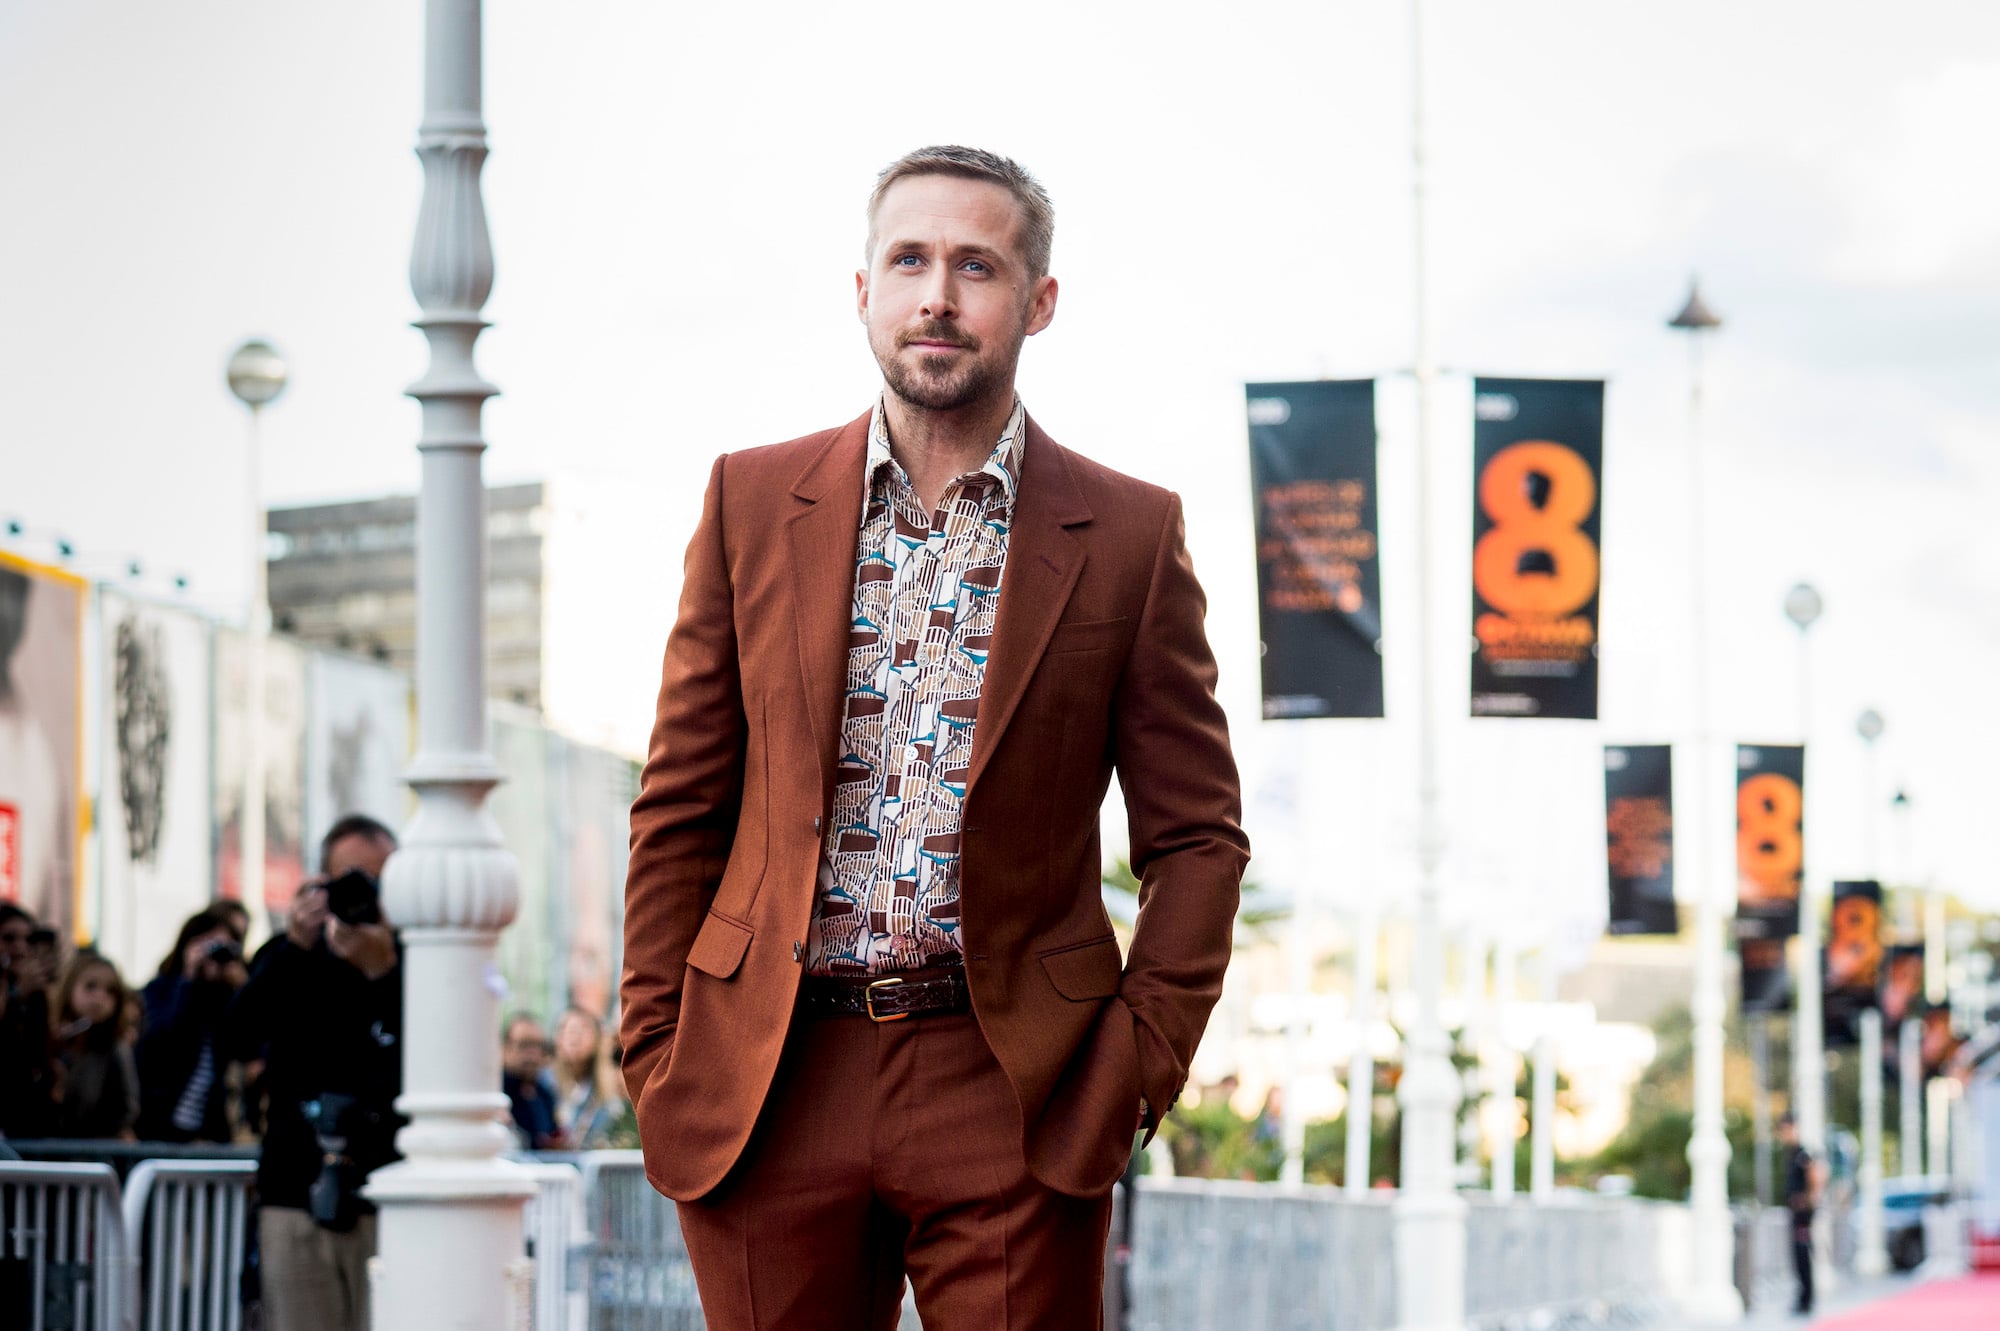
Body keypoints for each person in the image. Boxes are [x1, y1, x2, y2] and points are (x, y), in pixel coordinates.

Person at [620, 145, 1247, 1330]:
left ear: (1037, 301)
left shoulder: (1127, 532)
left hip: (1011, 1082)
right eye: (908, 261)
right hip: (769, 1074)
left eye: (976, 266)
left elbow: (1197, 839)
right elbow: (680, 805)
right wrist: (656, 1045)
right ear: (863, 289)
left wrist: (1130, 1068)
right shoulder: (750, 502)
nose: (937, 297)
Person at [227, 813, 403, 1331]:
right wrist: (295, 946)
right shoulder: (290, 956)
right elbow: (238, 1038)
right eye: (350, 880)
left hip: (387, 1193)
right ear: (320, 885)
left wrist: (384, 973)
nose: (364, 894)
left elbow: (435, 1057)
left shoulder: (414, 960)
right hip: (295, 1191)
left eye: (379, 880)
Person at [135, 908, 247, 1141]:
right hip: (159, 1125)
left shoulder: (228, 999)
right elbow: (160, 1041)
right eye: (208, 946)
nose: (214, 956)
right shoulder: (161, 990)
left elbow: (250, 1042)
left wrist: (243, 988)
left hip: (210, 1132)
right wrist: (188, 978)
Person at [49, 949, 139, 1139]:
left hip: (94, 1147)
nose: (99, 997)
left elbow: (126, 1108)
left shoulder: (115, 1048)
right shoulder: (52, 1039)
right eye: (90, 986)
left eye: (110, 991)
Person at [0, 902, 57, 1138]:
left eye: (28, 939)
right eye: (9, 938)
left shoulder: (36, 994)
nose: (21, 948)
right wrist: (16, 999)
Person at [551, 1006, 628, 1150]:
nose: (574, 1038)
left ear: (598, 1039)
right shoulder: (546, 1083)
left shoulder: (616, 1084)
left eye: (583, 1030)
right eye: (567, 1030)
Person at [501, 1012, 566, 1150]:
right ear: (505, 1048)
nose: (533, 1054)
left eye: (539, 1046)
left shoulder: (544, 1094)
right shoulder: (497, 1094)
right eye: (525, 1045)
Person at [1780, 1113, 1823, 1315]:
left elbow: (1816, 1176)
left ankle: (1807, 1298)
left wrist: (1808, 1201)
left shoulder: (1802, 1154)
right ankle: (1803, 1297)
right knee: (1797, 1257)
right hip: (1795, 1213)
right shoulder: (1791, 1153)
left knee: (1803, 1255)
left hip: (1803, 1215)